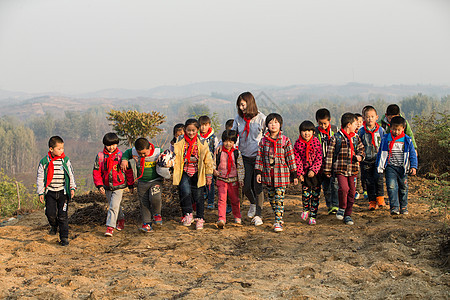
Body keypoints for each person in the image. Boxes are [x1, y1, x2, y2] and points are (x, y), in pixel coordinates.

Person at [255, 113, 298, 232]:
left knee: (279, 198)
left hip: (282, 175)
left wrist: (294, 174)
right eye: (270, 122)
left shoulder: (285, 140)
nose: (273, 125)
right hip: (269, 175)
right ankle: (278, 215)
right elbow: (260, 157)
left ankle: (278, 221)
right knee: (272, 198)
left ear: (280, 125)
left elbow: (290, 158)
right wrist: (258, 172)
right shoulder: (263, 141)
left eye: (276, 122)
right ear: (267, 125)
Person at [323, 113, 365, 225]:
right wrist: (327, 170)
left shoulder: (356, 138)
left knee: (352, 192)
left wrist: (360, 157)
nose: (357, 126)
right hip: (340, 169)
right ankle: (342, 207)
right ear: (349, 124)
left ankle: (348, 214)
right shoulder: (336, 138)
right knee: (344, 189)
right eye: (356, 124)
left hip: (353, 169)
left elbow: (362, 150)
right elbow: (330, 155)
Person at [172, 118, 214, 230]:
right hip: (184, 170)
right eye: (188, 130)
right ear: (185, 129)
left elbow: (208, 159)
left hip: (198, 171)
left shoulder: (202, 141)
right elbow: (176, 155)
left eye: (193, 130)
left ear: (197, 130)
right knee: (185, 192)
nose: (191, 133)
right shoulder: (180, 140)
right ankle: (188, 214)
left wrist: (209, 175)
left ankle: (200, 218)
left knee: (199, 195)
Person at [231, 92, 266, 226]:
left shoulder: (261, 118)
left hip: (258, 157)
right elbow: (233, 135)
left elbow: (268, 135)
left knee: (258, 186)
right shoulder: (238, 119)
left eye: (243, 105)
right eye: (239, 105)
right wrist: (222, 144)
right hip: (244, 157)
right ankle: (252, 203)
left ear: (250, 104)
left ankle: (258, 214)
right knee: (245, 186)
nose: (241, 108)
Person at [36, 136, 76, 246]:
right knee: (51, 214)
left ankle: (64, 238)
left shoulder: (65, 160)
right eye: (59, 149)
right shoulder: (45, 162)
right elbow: (40, 178)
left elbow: (70, 175)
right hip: (50, 192)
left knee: (63, 216)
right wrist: (40, 192)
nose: (61, 151)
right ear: (51, 149)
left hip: (63, 192)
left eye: (62, 148)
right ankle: (53, 225)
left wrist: (72, 188)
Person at [93, 133, 134, 237]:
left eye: (114, 144)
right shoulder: (100, 156)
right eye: (109, 145)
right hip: (107, 185)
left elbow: (128, 170)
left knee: (113, 206)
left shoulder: (121, 156)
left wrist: (130, 184)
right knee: (115, 205)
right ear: (104, 145)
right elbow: (96, 171)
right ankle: (121, 219)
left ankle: (110, 227)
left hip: (119, 185)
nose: (111, 147)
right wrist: (99, 185)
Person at [376, 116, 417, 215]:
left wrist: (413, 166)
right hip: (390, 167)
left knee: (403, 187)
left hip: (403, 168)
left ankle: (403, 206)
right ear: (390, 128)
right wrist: (379, 167)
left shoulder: (407, 140)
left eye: (399, 129)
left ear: (403, 128)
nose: (396, 132)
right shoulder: (386, 139)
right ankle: (394, 207)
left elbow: (412, 154)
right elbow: (381, 153)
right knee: (391, 186)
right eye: (394, 129)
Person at [121, 138, 163, 233]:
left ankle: (157, 214)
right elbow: (126, 154)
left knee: (155, 198)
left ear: (149, 147)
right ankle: (147, 224)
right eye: (140, 154)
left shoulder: (157, 151)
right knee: (144, 203)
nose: (142, 155)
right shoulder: (134, 151)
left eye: (145, 153)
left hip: (156, 180)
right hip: (142, 182)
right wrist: (124, 160)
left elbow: (167, 157)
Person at [214, 130, 244, 228]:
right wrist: (214, 171)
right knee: (222, 199)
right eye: (226, 141)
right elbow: (213, 163)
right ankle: (221, 218)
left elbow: (240, 166)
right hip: (221, 178)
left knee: (235, 199)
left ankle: (237, 216)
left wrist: (241, 179)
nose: (228, 144)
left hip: (234, 179)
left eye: (231, 141)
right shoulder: (218, 151)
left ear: (234, 142)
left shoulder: (236, 153)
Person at [294, 121, 323, 225]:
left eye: (309, 131)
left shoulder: (316, 142)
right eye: (304, 131)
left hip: (316, 174)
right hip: (305, 174)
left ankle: (313, 216)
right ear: (300, 132)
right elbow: (297, 159)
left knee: (315, 195)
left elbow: (319, 158)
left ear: (313, 132)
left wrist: (314, 170)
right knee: (306, 194)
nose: (306, 133)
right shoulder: (298, 143)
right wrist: (300, 173)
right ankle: (306, 209)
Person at [358, 106, 386, 211]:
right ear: (364, 118)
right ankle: (372, 202)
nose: (370, 119)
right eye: (368, 117)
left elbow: (384, 144)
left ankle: (380, 199)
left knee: (379, 179)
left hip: (378, 160)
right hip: (366, 161)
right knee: (368, 182)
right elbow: (358, 145)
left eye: (372, 116)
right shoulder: (361, 132)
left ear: (377, 117)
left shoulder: (381, 131)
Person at [315, 108, 339, 215]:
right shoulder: (315, 132)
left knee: (335, 184)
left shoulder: (335, 129)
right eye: (321, 123)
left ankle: (335, 205)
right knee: (326, 187)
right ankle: (330, 205)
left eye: (325, 123)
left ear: (329, 120)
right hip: (321, 164)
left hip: (334, 162)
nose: (323, 126)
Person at [198, 115, 219, 210]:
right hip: (199, 164)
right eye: (201, 125)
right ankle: (203, 197)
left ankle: (211, 202)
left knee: (210, 183)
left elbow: (216, 152)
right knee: (201, 182)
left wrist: (214, 166)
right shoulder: (196, 137)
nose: (203, 127)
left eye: (205, 125)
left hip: (209, 164)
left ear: (209, 125)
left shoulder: (213, 138)